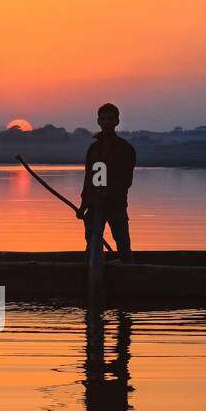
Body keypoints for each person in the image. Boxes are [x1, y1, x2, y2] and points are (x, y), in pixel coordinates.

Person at [76, 103, 136, 287]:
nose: (107, 122)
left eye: (111, 118)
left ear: (117, 121)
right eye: (104, 119)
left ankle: (128, 280)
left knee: (122, 243)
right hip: (95, 206)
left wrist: (106, 196)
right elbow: (90, 180)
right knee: (93, 245)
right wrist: (84, 205)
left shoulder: (125, 149)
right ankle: (89, 279)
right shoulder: (94, 150)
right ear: (98, 121)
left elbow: (125, 181)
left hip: (116, 205)